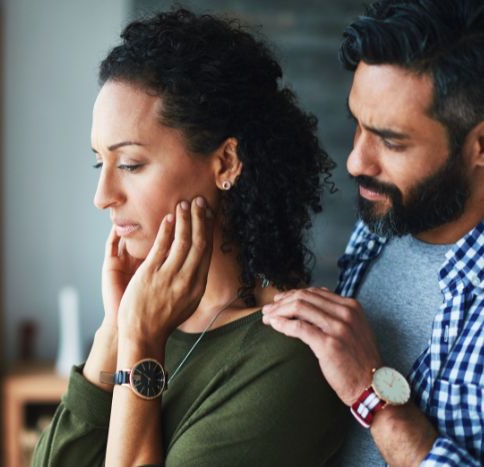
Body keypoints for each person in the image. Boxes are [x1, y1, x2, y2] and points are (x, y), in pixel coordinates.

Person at [33, 9, 345, 467]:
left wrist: (140, 342)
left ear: (225, 164)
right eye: (101, 162)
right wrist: (115, 328)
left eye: (132, 164)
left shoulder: (286, 355)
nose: (102, 197)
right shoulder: (149, 321)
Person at [262, 0, 484, 465]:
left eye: (390, 140)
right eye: (357, 125)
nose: (356, 162)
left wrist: (371, 394)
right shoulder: (381, 224)